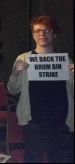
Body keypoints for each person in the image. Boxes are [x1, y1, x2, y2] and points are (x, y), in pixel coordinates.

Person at [7, 15, 74, 163]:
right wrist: (16, 73)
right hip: (33, 124)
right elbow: (12, 89)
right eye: (37, 31)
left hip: (61, 125)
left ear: (54, 34)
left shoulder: (66, 61)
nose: (42, 34)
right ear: (33, 35)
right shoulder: (23, 58)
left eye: (46, 30)